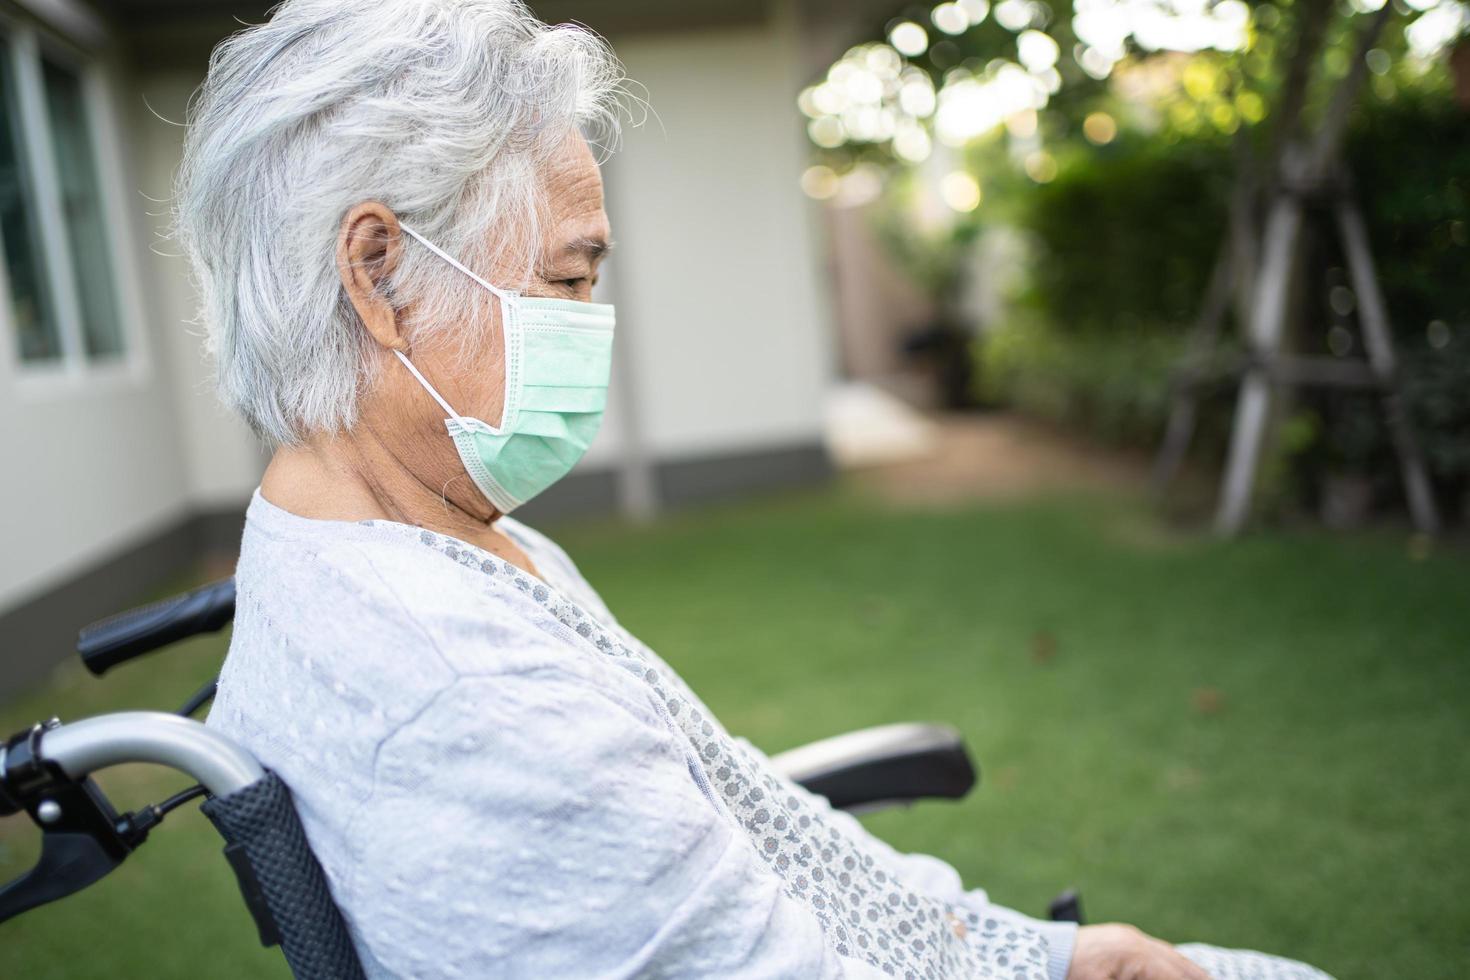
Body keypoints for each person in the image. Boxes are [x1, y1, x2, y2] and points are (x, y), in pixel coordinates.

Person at [180, 2, 1334, 977]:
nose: (592, 325)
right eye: (567, 276)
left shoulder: (378, 529)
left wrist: (1042, 951)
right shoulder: (465, 699)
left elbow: (752, 836)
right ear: (380, 274)